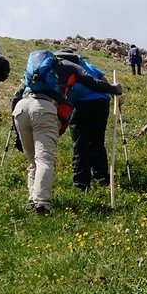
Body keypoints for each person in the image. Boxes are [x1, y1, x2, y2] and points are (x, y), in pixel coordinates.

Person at [11, 50, 123, 214]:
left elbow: (16, 96)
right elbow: (91, 82)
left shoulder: (36, 70)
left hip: (21, 108)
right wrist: (113, 89)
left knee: (33, 162)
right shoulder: (71, 66)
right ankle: (42, 204)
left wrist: (16, 129)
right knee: (44, 159)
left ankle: (33, 200)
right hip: (44, 109)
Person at [55, 48, 111, 191]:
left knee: (80, 145)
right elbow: (104, 79)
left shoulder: (63, 65)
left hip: (80, 105)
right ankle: (102, 179)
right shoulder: (87, 64)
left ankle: (81, 184)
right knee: (98, 142)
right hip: (102, 102)